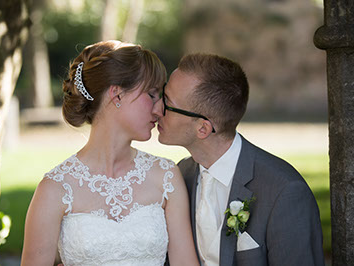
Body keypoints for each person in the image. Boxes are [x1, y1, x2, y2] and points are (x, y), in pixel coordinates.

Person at [21, 40, 199, 266]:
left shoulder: (166, 176)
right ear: (117, 95)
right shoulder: (55, 188)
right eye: (152, 95)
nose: (160, 108)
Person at [153, 53, 325, 266]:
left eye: (168, 104)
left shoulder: (285, 192)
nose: (157, 109)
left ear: (203, 128)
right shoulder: (181, 175)